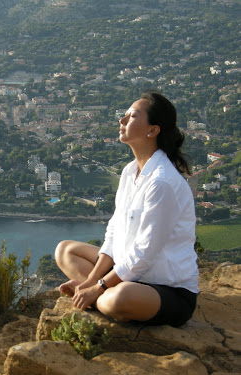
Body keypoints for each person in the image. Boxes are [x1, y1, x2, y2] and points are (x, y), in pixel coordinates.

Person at [55, 90, 198, 327]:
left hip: (165, 287)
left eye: (132, 117)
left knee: (118, 299)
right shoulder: (130, 171)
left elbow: (144, 253)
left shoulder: (161, 183)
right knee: (65, 250)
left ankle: (103, 296)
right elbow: (114, 234)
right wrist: (89, 282)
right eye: (124, 115)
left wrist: (98, 287)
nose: (122, 121)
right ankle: (98, 292)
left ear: (152, 130)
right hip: (127, 270)